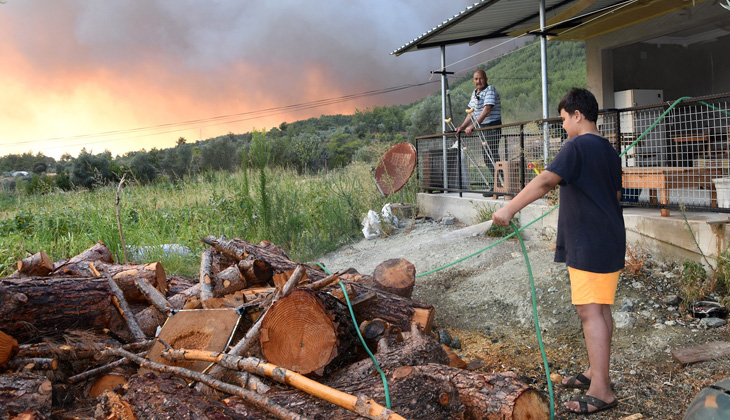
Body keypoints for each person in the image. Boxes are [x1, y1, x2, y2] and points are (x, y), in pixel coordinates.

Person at [492, 88, 624, 415]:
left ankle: (601, 390)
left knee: (589, 312)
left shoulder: (576, 146)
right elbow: (615, 192)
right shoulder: (608, 148)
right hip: (609, 238)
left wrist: (509, 209)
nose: (563, 125)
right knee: (602, 309)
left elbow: (546, 180)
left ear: (578, 115)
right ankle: (597, 372)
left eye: (564, 119)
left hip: (589, 242)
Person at [455, 70, 502, 189]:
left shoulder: (490, 90)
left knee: (491, 155)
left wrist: (473, 126)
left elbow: (487, 110)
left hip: (492, 126)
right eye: (476, 79)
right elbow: (471, 112)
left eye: (480, 78)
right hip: (483, 128)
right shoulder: (474, 93)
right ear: (473, 81)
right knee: (488, 156)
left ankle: (501, 184)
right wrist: (462, 127)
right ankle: (499, 184)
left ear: (486, 78)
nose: (478, 81)